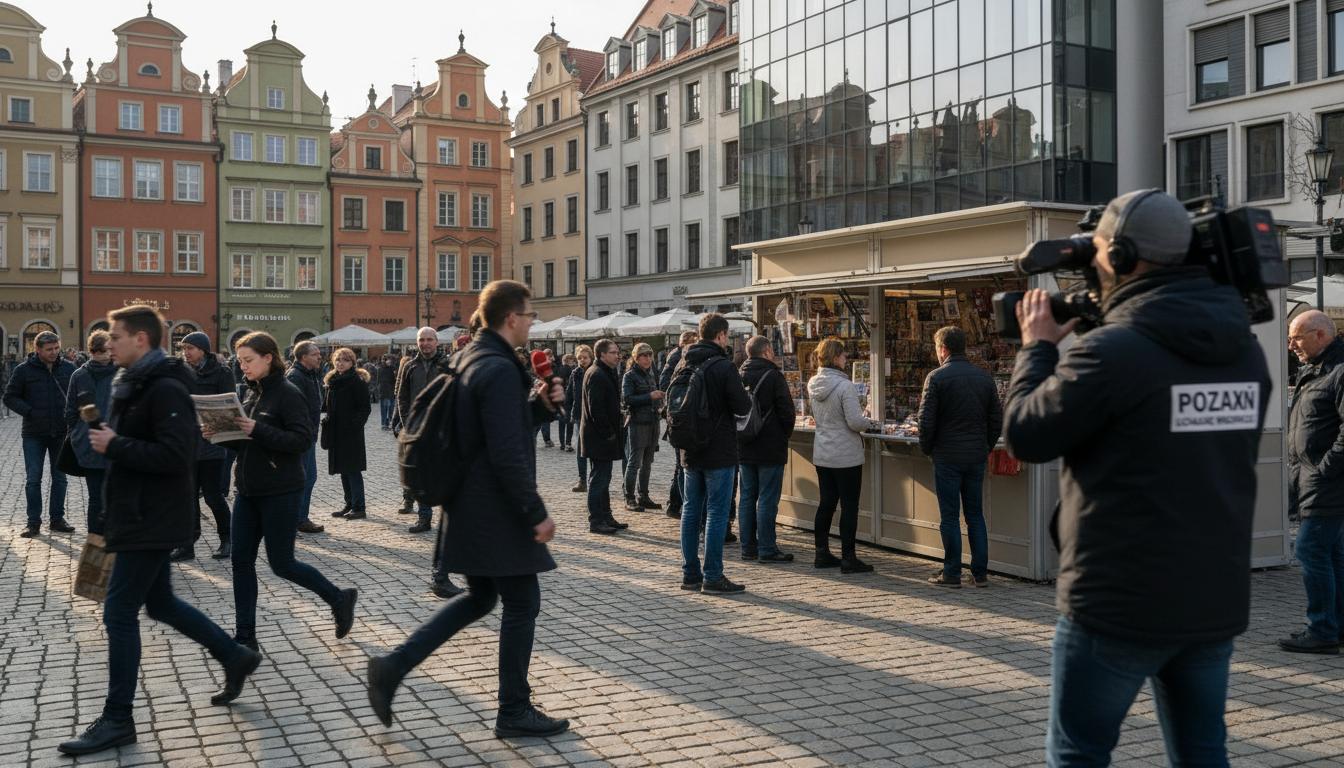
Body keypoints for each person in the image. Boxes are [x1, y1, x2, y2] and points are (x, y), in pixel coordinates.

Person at [1002, 189, 1272, 766]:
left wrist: (1037, 349)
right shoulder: (1245, 353)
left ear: (1121, 256)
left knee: (1078, 753)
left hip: (1118, 601)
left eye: (1097, 249)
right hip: (1211, 597)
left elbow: (1026, 435)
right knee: (1203, 752)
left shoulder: (1114, 352)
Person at [366, 280, 569, 738]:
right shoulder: (498, 368)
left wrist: (538, 407)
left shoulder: (472, 356)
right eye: (530, 315)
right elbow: (505, 452)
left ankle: (393, 667)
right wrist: (535, 512)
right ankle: (513, 709)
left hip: (468, 502)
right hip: (493, 506)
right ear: (511, 318)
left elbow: (492, 428)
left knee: (481, 598)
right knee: (523, 602)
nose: (532, 322)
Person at [57, 306, 261, 757]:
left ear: (141, 339)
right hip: (133, 512)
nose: (109, 343)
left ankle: (118, 719)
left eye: (116, 336)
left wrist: (116, 444)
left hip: (151, 516)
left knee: (118, 613)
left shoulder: (165, 387)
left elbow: (175, 454)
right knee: (162, 603)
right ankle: (235, 655)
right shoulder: (132, 381)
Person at [214, 332, 358, 654]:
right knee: (240, 562)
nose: (243, 366)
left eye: (248, 360)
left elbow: (301, 440)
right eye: (240, 361)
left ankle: (339, 598)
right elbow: (245, 444)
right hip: (247, 490)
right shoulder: (251, 393)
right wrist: (218, 434)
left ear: (268, 358)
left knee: (282, 564)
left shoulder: (288, 393)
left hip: (281, 490)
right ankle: (245, 637)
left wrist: (257, 429)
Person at [918, 326, 1003, 588]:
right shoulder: (984, 379)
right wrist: (985, 447)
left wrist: (928, 449)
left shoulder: (936, 378)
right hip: (975, 455)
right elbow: (996, 419)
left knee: (950, 516)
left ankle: (952, 572)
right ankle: (980, 573)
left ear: (943, 349)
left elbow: (925, 421)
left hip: (947, 455)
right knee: (975, 514)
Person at [1280, 309, 1344, 654]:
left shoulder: (1339, 370)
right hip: (1314, 480)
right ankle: (1334, 626)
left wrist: (1323, 470)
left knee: (1309, 549)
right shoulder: (1316, 369)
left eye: (1296, 338)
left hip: (1327, 483)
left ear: (1320, 335)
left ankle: (1321, 629)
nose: (1291, 345)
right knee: (1332, 554)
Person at [679, 314, 753, 594]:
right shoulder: (723, 366)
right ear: (721, 335)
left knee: (690, 511)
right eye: (727, 335)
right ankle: (712, 576)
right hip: (718, 449)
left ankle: (690, 574)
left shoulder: (684, 362)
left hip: (689, 447)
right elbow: (742, 407)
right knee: (716, 513)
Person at [807, 338, 879, 574]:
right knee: (849, 506)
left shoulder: (813, 383)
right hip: (846, 455)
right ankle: (849, 557)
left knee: (826, 503)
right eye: (844, 355)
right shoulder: (844, 386)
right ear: (836, 357)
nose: (846, 359)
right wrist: (871, 422)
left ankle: (821, 553)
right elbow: (855, 422)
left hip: (823, 453)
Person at [5, 330, 77, 538]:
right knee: (33, 479)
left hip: (61, 432)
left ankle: (57, 519)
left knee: (60, 478)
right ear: (37, 349)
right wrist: (29, 412)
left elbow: (76, 396)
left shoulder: (69, 368)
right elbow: (10, 397)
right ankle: (33, 523)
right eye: (49, 349)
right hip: (33, 433)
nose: (54, 352)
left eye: (56, 348)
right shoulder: (23, 370)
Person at [173, 332, 236, 561]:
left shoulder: (222, 372)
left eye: (190, 348)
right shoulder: (181, 371)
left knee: (212, 496)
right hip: (187, 443)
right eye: (184, 348)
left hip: (212, 443)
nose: (186, 352)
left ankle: (227, 539)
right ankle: (187, 545)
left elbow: (230, 407)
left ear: (203, 349)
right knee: (188, 497)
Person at [738, 335, 796, 563]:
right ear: (767, 352)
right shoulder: (773, 375)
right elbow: (787, 411)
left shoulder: (739, 374)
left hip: (744, 444)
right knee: (767, 498)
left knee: (747, 497)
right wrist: (783, 435)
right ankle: (767, 548)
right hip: (770, 446)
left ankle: (747, 547)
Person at [64, 330, 116, 536]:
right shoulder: (79, 375)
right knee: (96, 497)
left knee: (114, 496)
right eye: (98, 351)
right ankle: (96, 539)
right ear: (92, 351)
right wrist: (77, 434)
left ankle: (112, 537)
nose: (102, 355)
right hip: (90, 443)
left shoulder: (122, 373)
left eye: (106, 350)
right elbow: (70, 410)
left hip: (115, 442)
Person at [396, 327, 444, 532]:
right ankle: (424, 518)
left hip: (442, 427)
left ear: (436, 342)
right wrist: (408, 422)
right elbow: (402, 396)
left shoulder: (447, 365)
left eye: (429, 339)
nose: (425, 343)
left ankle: (451, 519)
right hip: (417, 427)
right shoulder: (409, 366)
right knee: (421, 472)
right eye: (421, 340)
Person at [580, 339, 627, 535]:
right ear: (602, 354)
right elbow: (596, 409)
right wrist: (608, 433)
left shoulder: (604, 372)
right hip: (598, 437)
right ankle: (596, 520)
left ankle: (606, 516)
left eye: (617, 352)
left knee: (604, 478)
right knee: (599, 479)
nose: (618, 356)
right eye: (613, 352)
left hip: (602, 436)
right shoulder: (597, 374)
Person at [325, 347, 372, 521]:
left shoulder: (356, 381)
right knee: (343, 470)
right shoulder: (333, 381)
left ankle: (359, 507)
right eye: (338, 359)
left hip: (351, 433)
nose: (340, 363)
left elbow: (365, 408)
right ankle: (349, 503)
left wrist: (354, 426)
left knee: (353, 470)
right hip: (336, 432)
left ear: (352, 362)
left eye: (345, 360)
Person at [287, 341, 325, 534]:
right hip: (301, 437)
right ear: (303, 357)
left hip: (309, 435)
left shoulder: (310, 374)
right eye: (315, 354)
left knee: (308, 477)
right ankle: (297, 519)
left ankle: (300, 518)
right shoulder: (296, 376)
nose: (319, 357)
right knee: (304, 478)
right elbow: (294, 410)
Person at [659, 330, 698, 519]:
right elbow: (666, 384)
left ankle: (675, 504)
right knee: (682, 466)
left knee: (680, 466)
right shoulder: (679, 359)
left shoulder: (678, 358)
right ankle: (678, 505)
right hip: (680, 418)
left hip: (677, 418)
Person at [621, 342, 663, 512]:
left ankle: (643, 496)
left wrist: (659, 404)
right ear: (636, 358)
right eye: (643, 356)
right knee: (634, 462)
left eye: (649, 355)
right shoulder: (630, 376)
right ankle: (629, 497)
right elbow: (627, 399)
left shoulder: (651, 373)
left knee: (648, 462)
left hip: (653, 421)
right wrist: (649, 396)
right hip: (638, 423)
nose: (647, 358)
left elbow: (653, 397)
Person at [566, 345, 593, 493]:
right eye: (579, 358)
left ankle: (594, 479)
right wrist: (568, 411)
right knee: (580, 449)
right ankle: (582, 480)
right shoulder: (575, 373)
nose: (582, 360)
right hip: (579, 415)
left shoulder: (596, 371)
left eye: (585, 357)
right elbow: (570, 393)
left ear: (591, 357)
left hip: (594, 415)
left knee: (594, 448)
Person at [555, 353, 576, 452]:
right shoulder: (571, 371)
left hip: (560, 399)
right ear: (568, 360)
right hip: (568, 399)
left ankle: (562, 444)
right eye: (572, 360)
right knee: (569, 423)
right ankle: (568, 443)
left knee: (561, 423)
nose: (574, 362)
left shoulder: (558, 369)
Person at [378, 355, 398, 430]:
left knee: (391, 409)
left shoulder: (393, 368)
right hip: (384, 392)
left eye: (390, 360)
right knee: (385, 409)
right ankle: (384, 424)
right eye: (387, 360)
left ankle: (388, 423)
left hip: (391, 392)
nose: (389, 361)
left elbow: (395, 380)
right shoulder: (381, 369)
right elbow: (381, 381)